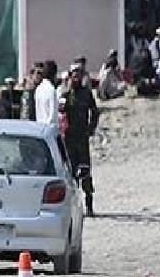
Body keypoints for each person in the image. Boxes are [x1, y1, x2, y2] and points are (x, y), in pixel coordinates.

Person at [62, 62, 100, 216]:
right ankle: (72, 208)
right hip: (69, 139)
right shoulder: (65, 95)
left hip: (82, 139)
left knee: (85, 173)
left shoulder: (86, 93)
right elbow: (60, 115)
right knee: (71, 175)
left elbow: (95, 111)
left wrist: (91, 129)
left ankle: (89, 206)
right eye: (74, 74)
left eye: (79, 74)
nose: (76, 76)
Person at [34, 61, 59, 133]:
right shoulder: (51, 89)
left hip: (40, 128)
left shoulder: (38, 89)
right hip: (49, 130)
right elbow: (53, 114)